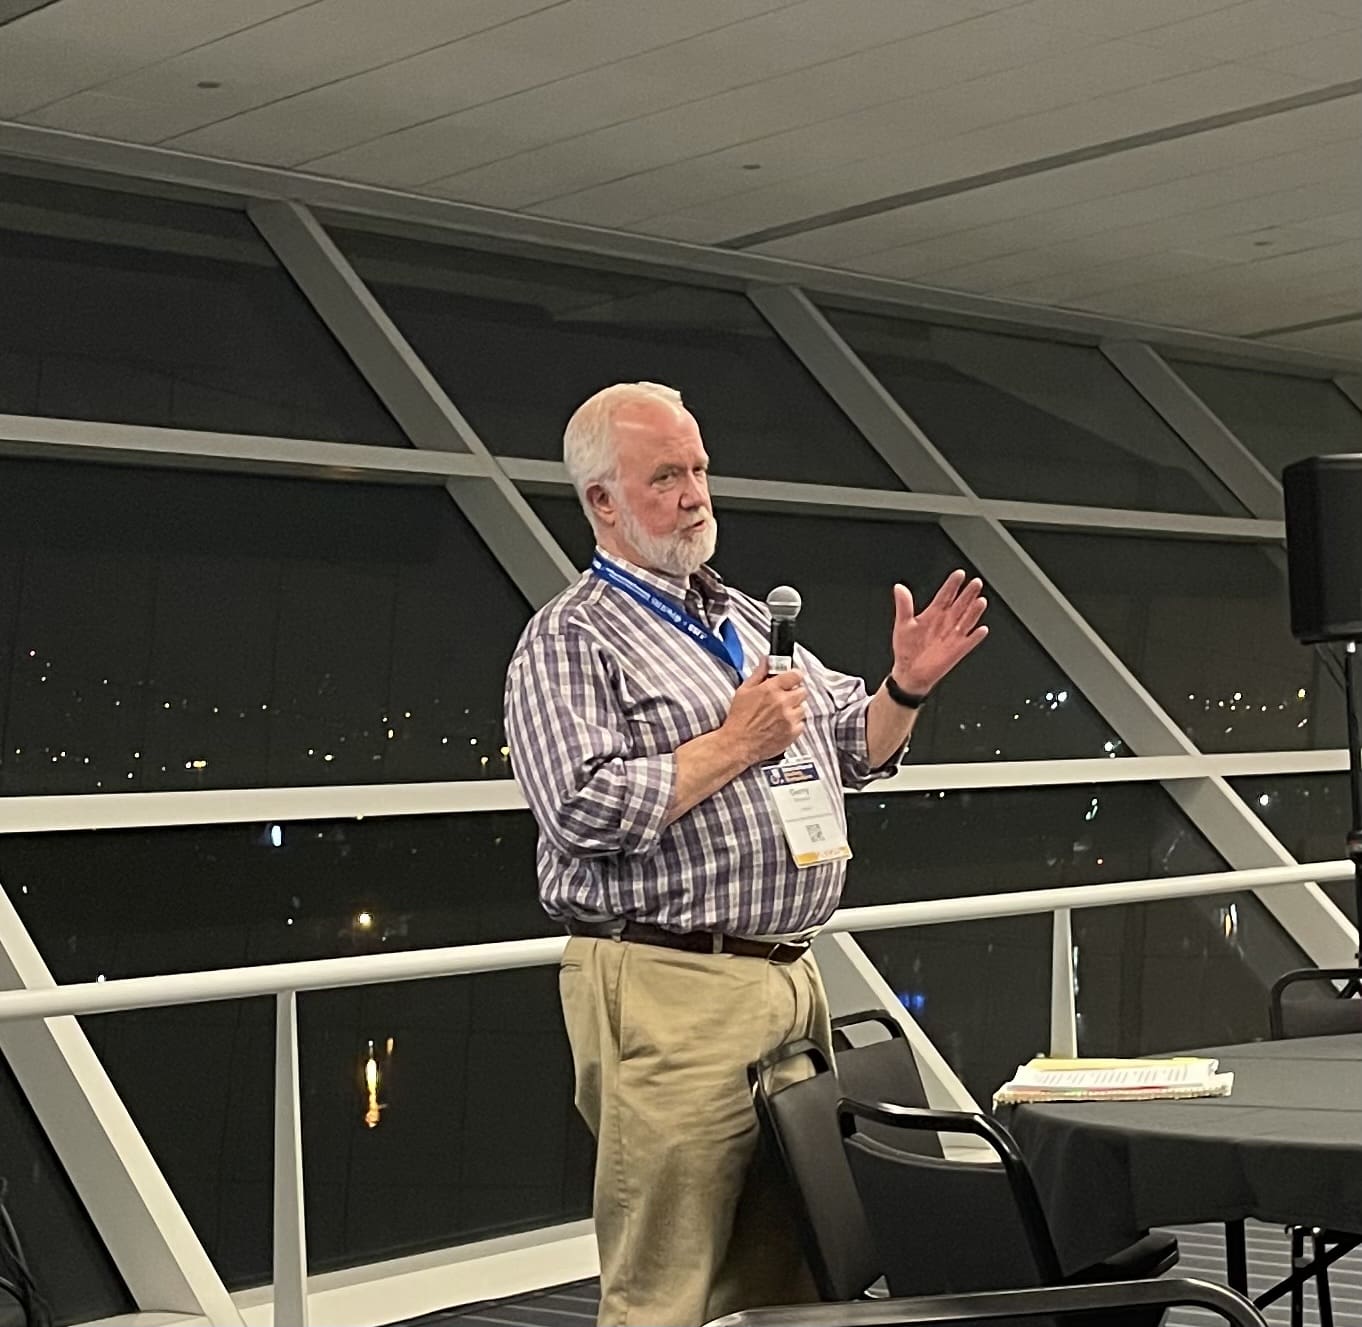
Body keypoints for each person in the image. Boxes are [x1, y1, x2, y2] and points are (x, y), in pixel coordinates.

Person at [504, 381, 987, 1326]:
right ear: (602, 500)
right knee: (666, 1283)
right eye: (665, 477)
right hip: (669, 985)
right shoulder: (569, 637)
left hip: (787, 980)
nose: (695, 494)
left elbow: (850, 745)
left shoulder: (743, 617)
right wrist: (733, 743)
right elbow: (580, 809)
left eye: (698, 469)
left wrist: (905, 688)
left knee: (790, 1274)